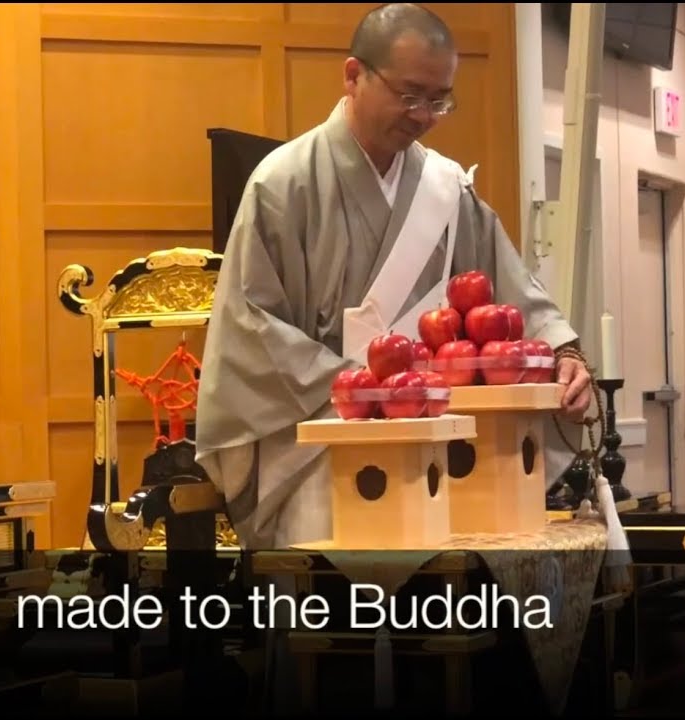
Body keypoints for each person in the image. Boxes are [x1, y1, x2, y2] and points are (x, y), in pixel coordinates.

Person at [195, 3, 593, 551]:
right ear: (354, 75)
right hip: (322, 440)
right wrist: (364, 392)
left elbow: (509, 292)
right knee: (338, 597)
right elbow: (251, 326)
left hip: (437, 434)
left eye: (439, 100)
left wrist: (564, 354)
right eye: (409, 95)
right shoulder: (283, 185)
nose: (424, 114)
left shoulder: (447, 191)